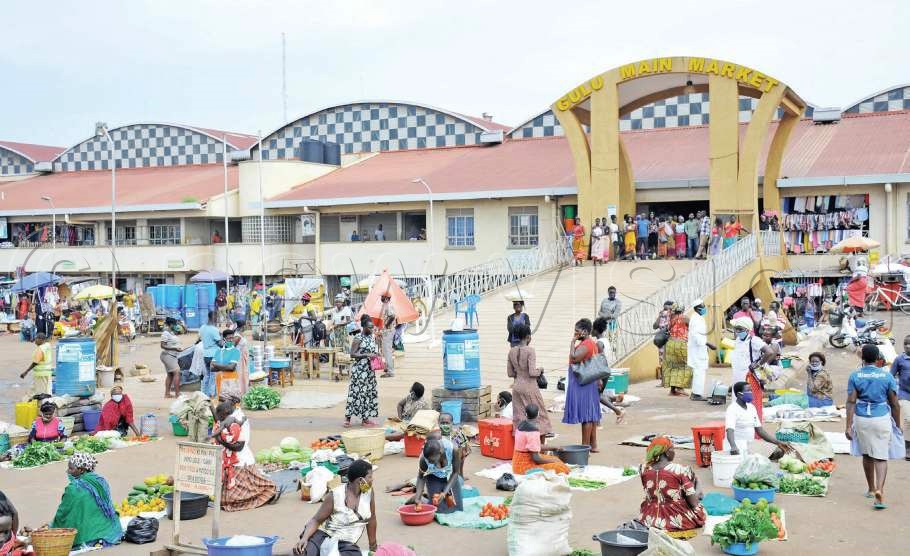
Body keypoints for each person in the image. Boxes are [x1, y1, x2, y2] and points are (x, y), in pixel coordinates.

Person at [846, 344, 901, 509]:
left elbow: (851, 402)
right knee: (881, 457)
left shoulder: (855, 375)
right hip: (881, 418)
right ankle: (880, 490)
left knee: (867, 454)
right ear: (878, 358)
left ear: (862, 358)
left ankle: (871, 489)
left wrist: (848, 426)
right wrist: (898, 425)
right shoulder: (886, 376)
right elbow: (894, 404)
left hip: (862, 419)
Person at [294, 459, 377, 555]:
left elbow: (372, 518)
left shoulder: (369, 493)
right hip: (323, 536)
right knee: (303, 552)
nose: (372, 479)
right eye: (370, 477)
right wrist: (304, 538)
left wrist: (373, 546)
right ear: (360, 480)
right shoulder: (335, 495)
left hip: (346, 543)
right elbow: (316, 520)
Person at [212, 401, 279, 511]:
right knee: (226, 497)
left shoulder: (235, 423)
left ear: (226, 413)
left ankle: (265, 494)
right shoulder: (226, 420)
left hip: (241, 461)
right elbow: (218, 423)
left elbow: (239, 447)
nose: (219, 418)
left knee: (238, 494)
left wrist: (221, 440)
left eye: (220, 416)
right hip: (230, 461)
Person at [637, 436, 706, 539]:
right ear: (667, 452)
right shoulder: (680, 470)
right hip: (677, 519)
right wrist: (698, 484)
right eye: (672, 449)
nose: (674, 452)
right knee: (697, 503)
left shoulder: (643, 469)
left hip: (649, 518)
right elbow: (693, 503)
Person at [51, 453, 122, 548]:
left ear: (81, 470)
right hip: (110, 530)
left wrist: (53, 528)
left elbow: (62, 513)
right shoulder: (100, 481)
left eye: (71, 468)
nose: (67, 471)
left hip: (87, 535)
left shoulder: (74, 488)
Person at [563, 319, 602, 452]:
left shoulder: (586, 344)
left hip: (583, 383)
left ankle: (584, 448)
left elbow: (574, 358)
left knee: (586, 417)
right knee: (590, 415)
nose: (575, 333)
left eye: (577, 331)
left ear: (584, 331)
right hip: (588, 382)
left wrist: (572, 342)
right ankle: (593, 445)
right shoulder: (591, 343)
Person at [507, 324, 551, 436]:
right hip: (530, 387)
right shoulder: (530, 351)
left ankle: (521, 442)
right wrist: (540, 370)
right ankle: (538, 443)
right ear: (528, 337)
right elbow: (532, 372)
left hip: (517, 387)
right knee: (539, 415)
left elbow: (510, 373)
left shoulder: (511, 351)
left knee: (519, 416)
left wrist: (519, 372)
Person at [725, 382, 792, 457]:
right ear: (739, 394)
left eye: (751, 390)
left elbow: (760, 431)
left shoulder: (751, 408)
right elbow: (730, 431)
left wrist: (778, 442)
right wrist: (733, 446)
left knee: (779, 451)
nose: (751, 393)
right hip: (737, 446)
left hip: (750, 445)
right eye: (748, 390)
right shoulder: (732, 409)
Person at [408, 438, 464, 515]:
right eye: (428, 461)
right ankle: (421, 499)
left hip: (450, 476)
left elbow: (455, 472)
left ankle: (436, 495)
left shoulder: (453, 450)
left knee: (458, 509)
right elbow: (421, 477)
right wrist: (418, 497)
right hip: (433, 477)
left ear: (440, 453)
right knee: (438, 510)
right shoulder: (424, 459)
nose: (430, 463)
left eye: (432, 461)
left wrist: (444, 493)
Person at [512, 404, 570, 475]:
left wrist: (554, 447)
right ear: (538, 414)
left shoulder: (521, 425)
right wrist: (554, 461)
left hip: (517, 463)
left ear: (525, 414)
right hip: (524, 468)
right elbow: (536, 459)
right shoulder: (533, 431)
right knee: (561, 467)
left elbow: (534, 446)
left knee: (555, 459)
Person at [345, 317, 380, 428]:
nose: (372, 329)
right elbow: (352, 354)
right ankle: (347, 418)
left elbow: (373, 351)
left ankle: (365, 419)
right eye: (370, 327)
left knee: (367, 394)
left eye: (372, 327)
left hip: (369, 370)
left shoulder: (371, 337)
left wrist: (376, 354)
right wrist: (367, 355)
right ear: (364, 327)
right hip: (360, 370)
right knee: (355, 393)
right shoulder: (358, 338)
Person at [593, 317, 625, 423]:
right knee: (598, 395)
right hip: (606, 371)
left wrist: (598, 377)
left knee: (596, 396)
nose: (591, 331)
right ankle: (614, 399)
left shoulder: (599, 343)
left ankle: (617, 411)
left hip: (602, 372)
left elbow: (600, 360)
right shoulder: (605, 340)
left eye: (592, 329)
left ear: (596, 330)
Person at [688, 299, 715, 401]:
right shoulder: (696, 319)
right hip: (697, 349)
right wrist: (709, 344)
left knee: (699, 371)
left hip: (699, 349)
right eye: (703, 306)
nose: (704, 308)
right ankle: (696, 394)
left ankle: (695, 392)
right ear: (697, 308)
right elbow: (696, 336)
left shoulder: (698, 317)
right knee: (699, 371)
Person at [889, 335, 910, 460]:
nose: (908, 346)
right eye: (905, 343)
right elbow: (890, 376)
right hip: (904, 394)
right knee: (909, 419)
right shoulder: (899, 360)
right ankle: (908, 447)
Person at [661, 305, 689, 396]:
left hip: (670, 344)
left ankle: (672, 390)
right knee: (683, 366)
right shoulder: (685, 318)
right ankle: (680, 388)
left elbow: (668, 330)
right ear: (682, 311)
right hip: (680, 344)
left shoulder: (671, 319)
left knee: (673, 366)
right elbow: (692, 328)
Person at [212, 329, 243, 399]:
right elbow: (211, 368)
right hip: (220, 379)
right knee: (222, 400)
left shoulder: (235, 351)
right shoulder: (219, 351)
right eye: (229, 338)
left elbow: (231, 368)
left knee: (233, 400)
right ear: (224, 339)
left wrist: (217, 365)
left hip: (231, 379)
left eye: (232, 338)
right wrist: (226, 366)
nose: (231, 340)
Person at [199, 312, 223, 397]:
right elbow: (220, 344)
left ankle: (204, 393)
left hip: (206, 354)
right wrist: (222, 337)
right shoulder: (214, 329)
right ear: (213, 317)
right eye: (217, 317)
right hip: (214, 355)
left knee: (207, 375)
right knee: (213, 376)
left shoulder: (202, 327)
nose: (217, 319)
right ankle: (212, 394)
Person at [161, 318, 183, 398]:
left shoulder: (172, 333)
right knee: (177, 372)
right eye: (175, 324)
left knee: (170, 374)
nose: (176, 326)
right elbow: (162, 345)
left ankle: (167, 394)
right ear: (171, 324)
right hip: (168, 355)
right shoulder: (165, 333)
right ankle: (177, 394)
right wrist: (174, 349)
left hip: (173, 355)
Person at [379, 294, 397, 378]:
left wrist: (386, 325)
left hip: (388, 331)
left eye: (382, 297)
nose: (381, 298)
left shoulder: (388, 305)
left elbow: (392, 316)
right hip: (387, 331)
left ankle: (390, 371)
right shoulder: (386, 305)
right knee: (386, 350)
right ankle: (388, 367)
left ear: (386, 298)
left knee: (387, 351)